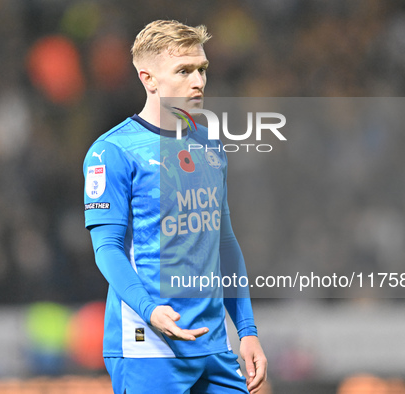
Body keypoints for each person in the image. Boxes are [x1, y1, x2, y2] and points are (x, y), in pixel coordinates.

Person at [83, 20, 267, 393]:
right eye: (183, 71)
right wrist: (150, 311)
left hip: (214, 344)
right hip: (148, 344)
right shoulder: (113, 152)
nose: (197, 81)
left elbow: (225, 243)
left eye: (202, 70)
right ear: (148, 79)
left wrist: (246, 330)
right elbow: (107, 249)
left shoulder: (211, 146)